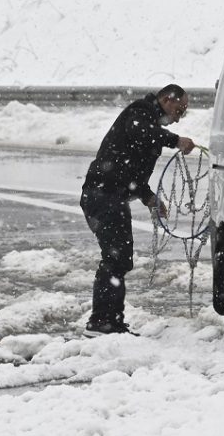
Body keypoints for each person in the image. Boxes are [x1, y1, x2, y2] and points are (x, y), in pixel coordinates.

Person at [80, 84, 195, 337]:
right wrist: (175, 141)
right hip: (102, 196)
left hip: (111, 197)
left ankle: (111, 322)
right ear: (166, 99)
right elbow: (141, 132)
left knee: (120, 259)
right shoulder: (140, 113)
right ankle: (102, 322)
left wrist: (149, 197)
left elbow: (132, 173)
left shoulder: (152, 128)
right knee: (116, 259)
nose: (178, 117)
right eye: (179, 110)